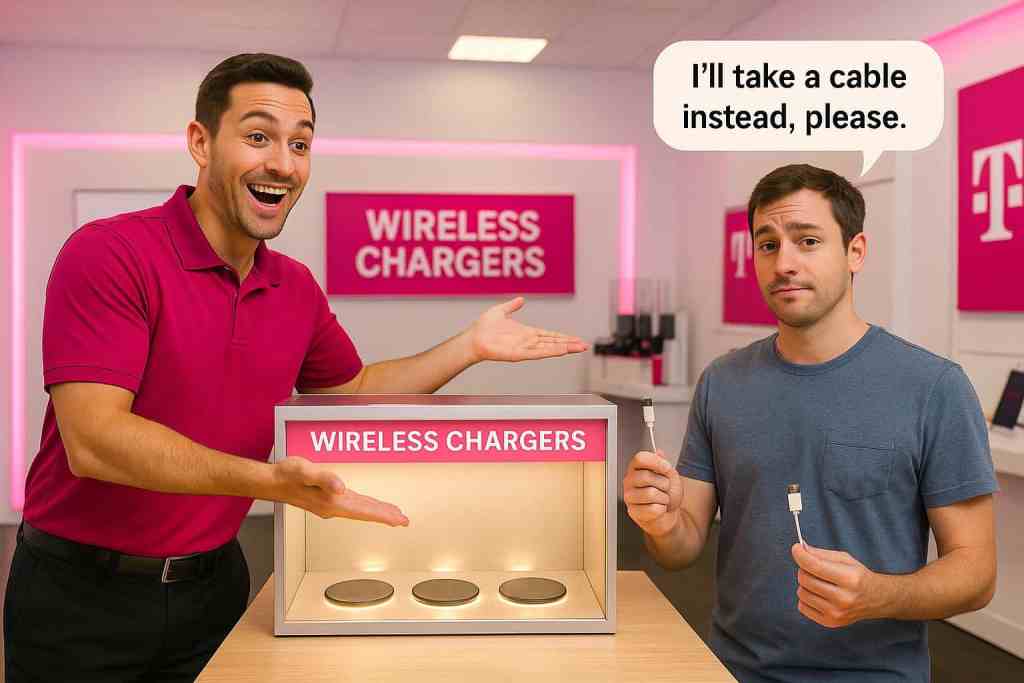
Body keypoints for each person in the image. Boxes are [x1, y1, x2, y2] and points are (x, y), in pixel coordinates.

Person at [4, 53, 587, 682]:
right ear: (201, 143)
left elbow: (355, 388)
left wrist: (468, 346)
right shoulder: (111, 253)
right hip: (81, 598)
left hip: (215, 588)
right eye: (258, 136)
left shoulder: (295, 287)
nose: (281, 162)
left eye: (299, 144)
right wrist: (269, 481)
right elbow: (94, 441)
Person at [623, 164, 998, 682]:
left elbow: (976, 574)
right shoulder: (723, 382)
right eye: (768, 244)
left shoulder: (933, 387)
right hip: (734, 670)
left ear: (855, 252)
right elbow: (681, 548)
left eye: (808, 241)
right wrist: (661, 522)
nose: (785, 263)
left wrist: (878, 595)